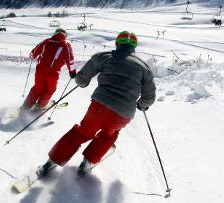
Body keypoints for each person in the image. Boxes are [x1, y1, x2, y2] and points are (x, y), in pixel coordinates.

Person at [37, 31, 156, 177]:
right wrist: (142, 105)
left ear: (117, 43)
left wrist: (83, 82)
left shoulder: (104, 56)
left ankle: (52, 162)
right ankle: (87, 163)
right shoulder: (145, 68)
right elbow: (149, 96)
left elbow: (81, 79)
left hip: (99, 106)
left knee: (82, 131)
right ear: (134, 47)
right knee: (108, 135)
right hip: (123, 114)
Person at [20, 28, 76, 111]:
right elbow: (70, 60)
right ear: (65, 36)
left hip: (40, 71)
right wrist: (72, 72)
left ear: (55, 34)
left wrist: (33, 56)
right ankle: (40, 106)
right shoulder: (65, 44)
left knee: (37, 88)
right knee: (50, 89)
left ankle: (26, 106)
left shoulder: (46, 41)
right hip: (53, 74)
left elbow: (33, 53)